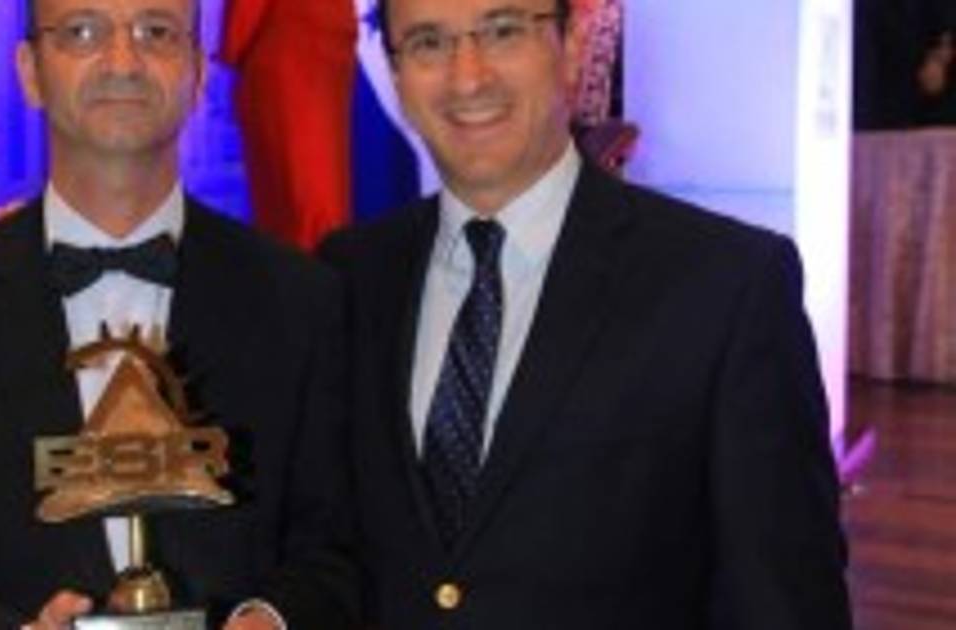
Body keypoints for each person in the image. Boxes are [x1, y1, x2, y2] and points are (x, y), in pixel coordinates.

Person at [0, 0, 355, 628]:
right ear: (30, 71)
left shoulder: (300, 299)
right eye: (82, 31)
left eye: (156, 31)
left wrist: (270, 619)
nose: (122, 61)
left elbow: (340, 553)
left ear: (198, 73)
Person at [319, 0, 853, 627]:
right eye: (428, 43)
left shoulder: (725, 286)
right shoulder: (347, 276)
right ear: (395, 73)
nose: (467, 78)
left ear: (572, 44)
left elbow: (784, 599)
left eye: (503, 31)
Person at [220, 0, 358, 249]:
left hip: (286, 51)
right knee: (318, 177)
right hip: (321, 41)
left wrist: (230, 50)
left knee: (293, 190)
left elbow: (246, 16)